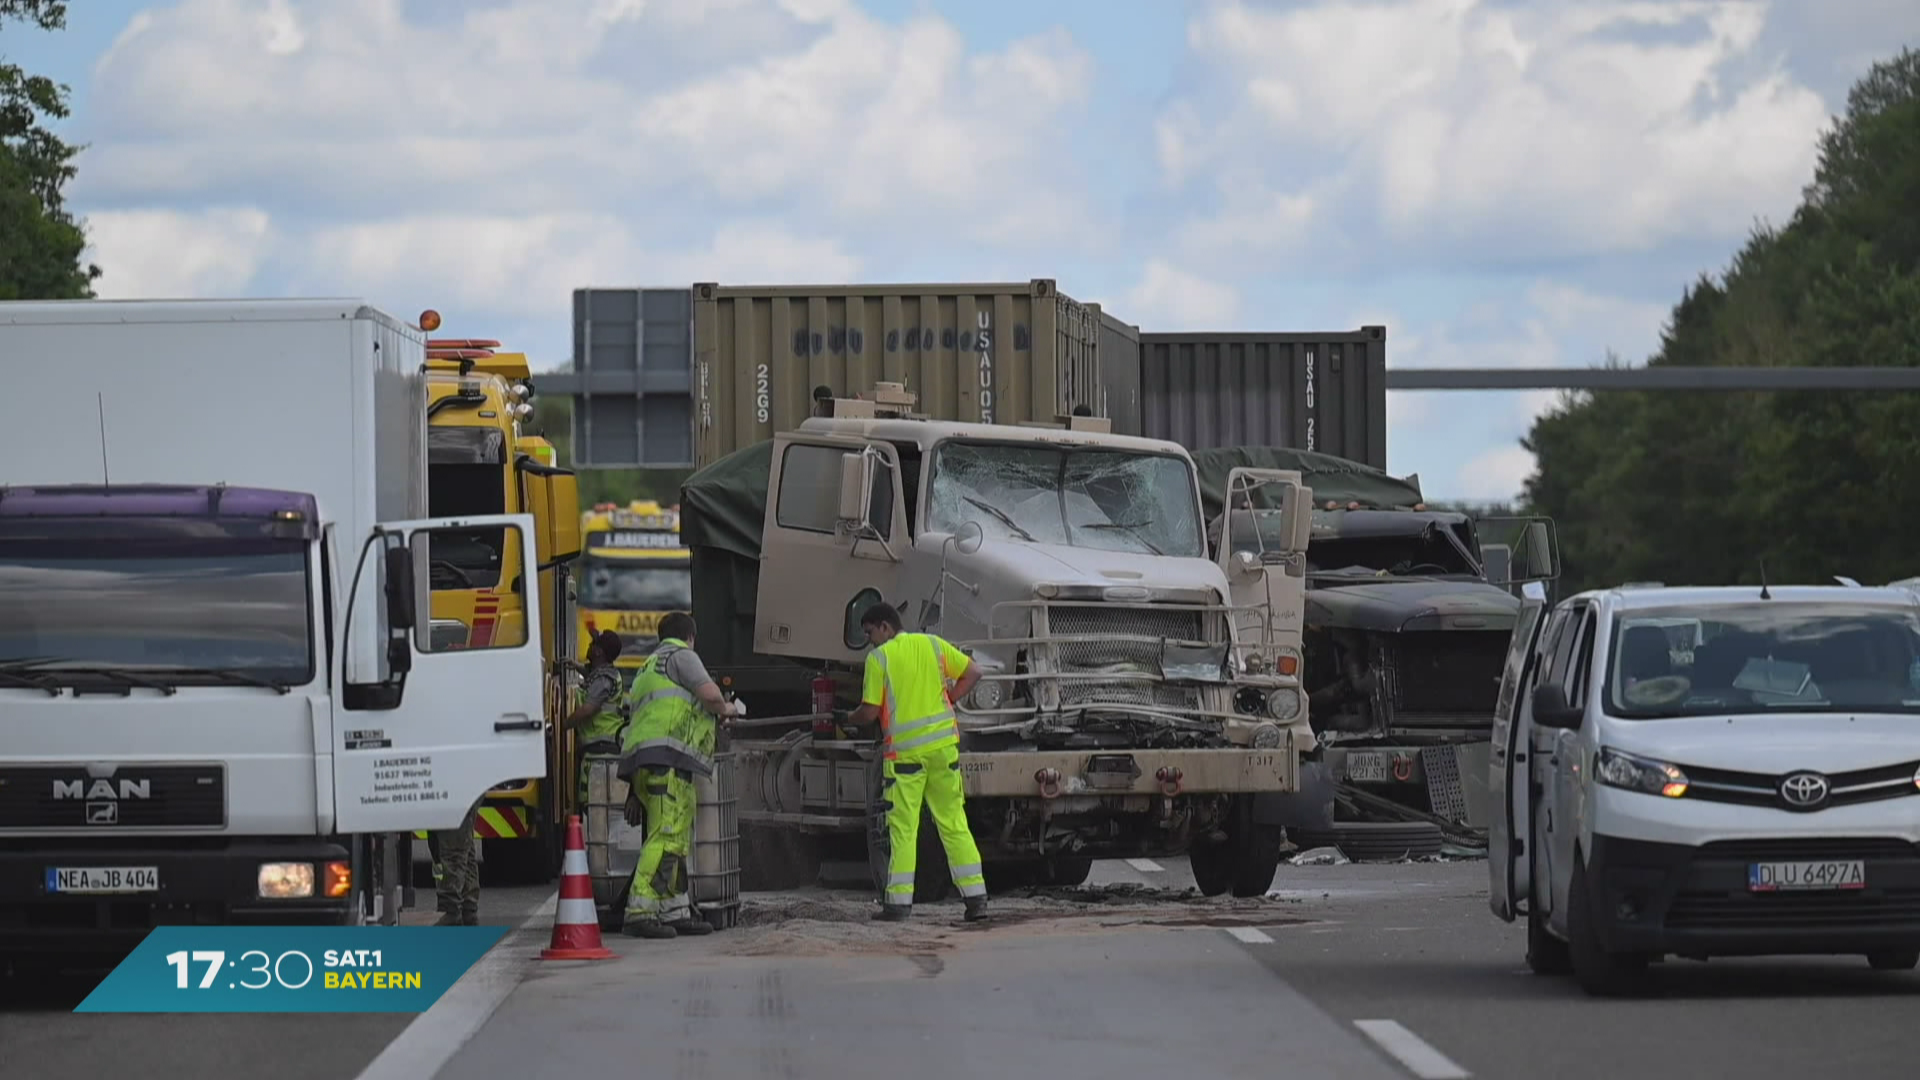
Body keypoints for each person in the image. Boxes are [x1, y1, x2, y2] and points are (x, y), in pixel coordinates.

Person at [848, 602, 990, 923]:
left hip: (906, 758)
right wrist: (949, 700)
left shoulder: (879, 658)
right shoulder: (933, 644)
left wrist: (849, 716)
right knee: (953, 823)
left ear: (885, 627)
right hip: (943, 750)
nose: (870, 640)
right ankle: (976, 900)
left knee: (903, 830)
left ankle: (898, 906)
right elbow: (974, 672)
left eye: (870, 632)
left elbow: (869, 711)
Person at [616, 611, 745, 939]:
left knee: (674, 838)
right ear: (690, 636)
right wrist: (728, 709)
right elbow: (711, 695)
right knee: (665, 835)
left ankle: (675, 909)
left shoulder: (648, 666)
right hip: (667, 760)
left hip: (650, 762)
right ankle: (640, 911)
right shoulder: (681, 656)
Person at [565, 629, 628, 809]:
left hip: (601, 754)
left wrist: (563, 726)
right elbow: (591, 674)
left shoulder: (604, 680)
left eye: (593, 644)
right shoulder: (604, 674)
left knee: (596, 806)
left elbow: (587, 709)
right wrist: (575, 665)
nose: (590, 646)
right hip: (601, 751)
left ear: (599, 652)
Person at [426, 799, 480, 926]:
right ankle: (467, 908)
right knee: (460, 845)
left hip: (452, 792)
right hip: (456, 789)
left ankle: (451, 910)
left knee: (453, 848)